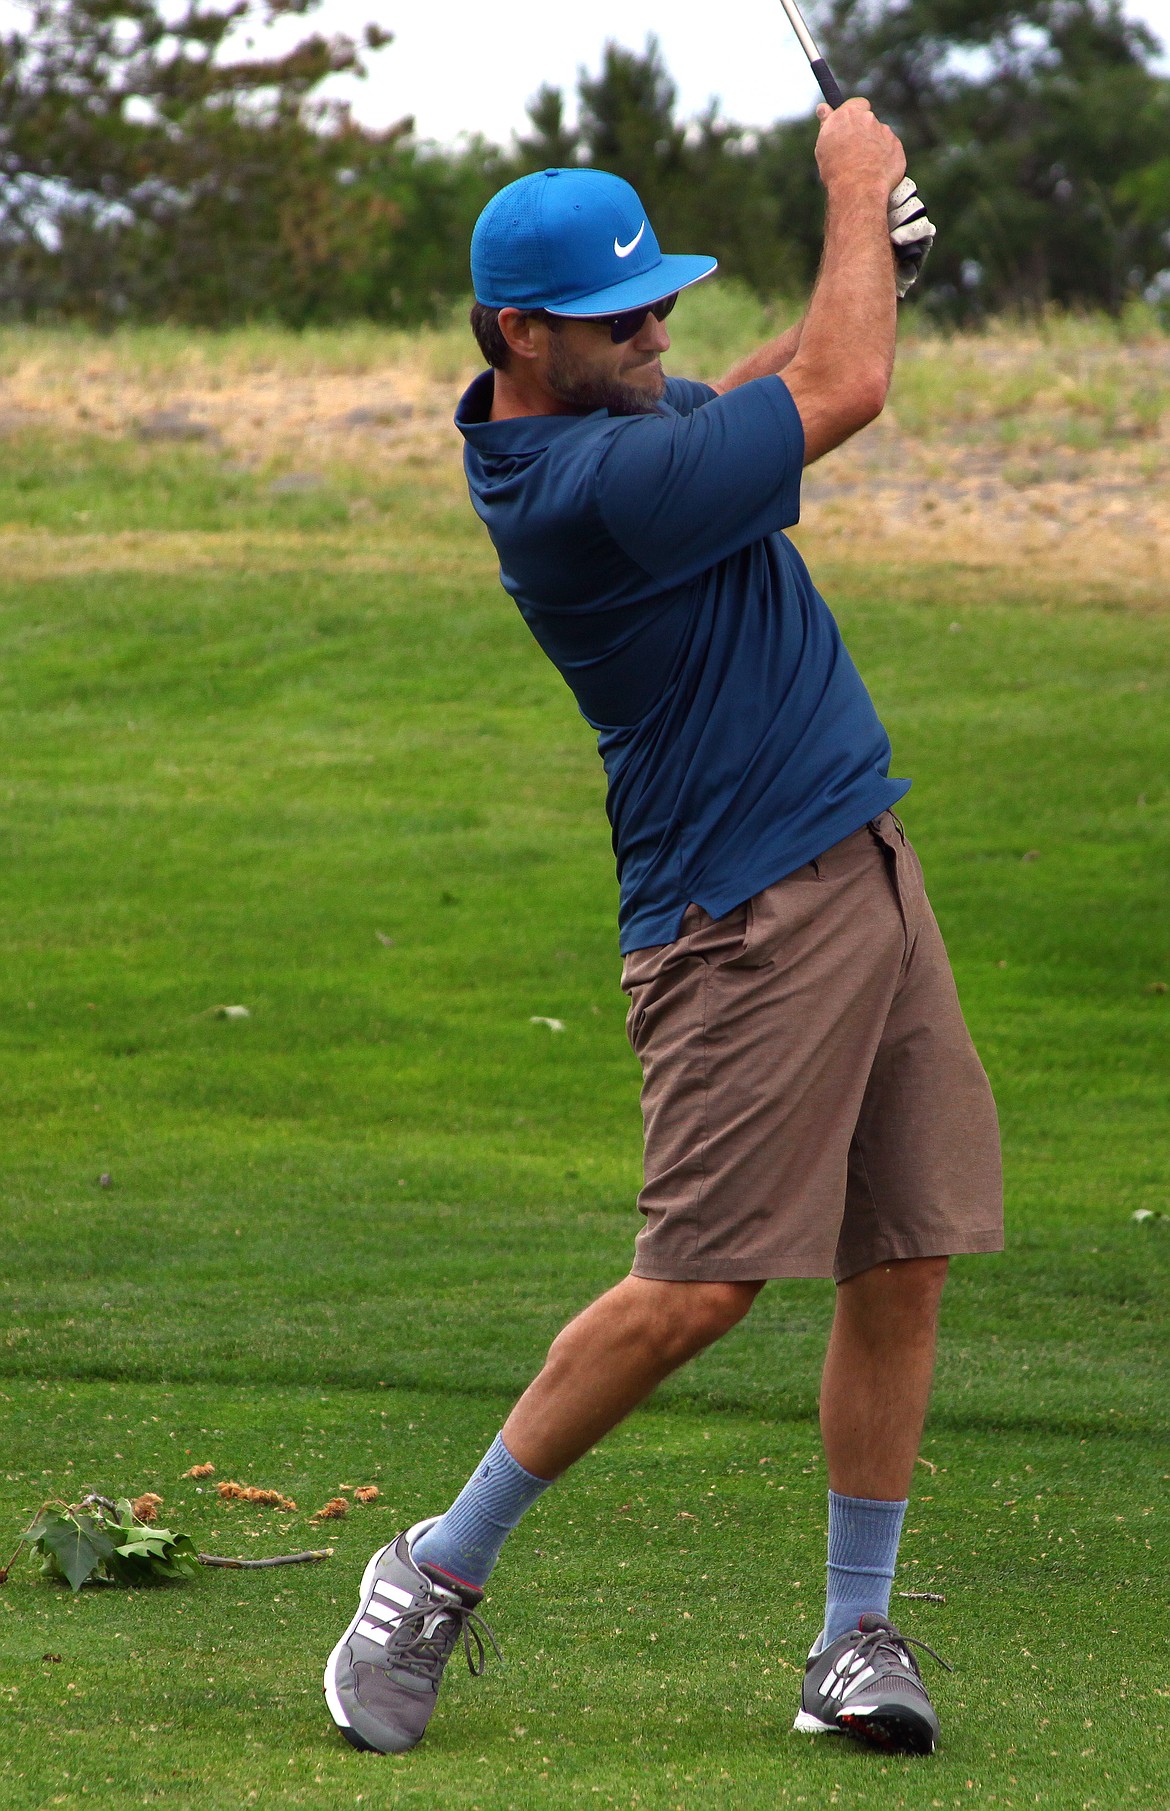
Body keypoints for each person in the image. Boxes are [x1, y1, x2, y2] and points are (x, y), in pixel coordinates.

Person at [323, 97, 1002, 1762]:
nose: (656, 335)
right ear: (520, 334)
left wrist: (872, 272)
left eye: (663, 306)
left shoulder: (616, 414)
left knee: (899, 1253)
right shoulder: (582, 488)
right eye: (622, 318)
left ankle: (852, 1637)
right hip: (739, 920)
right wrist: (855, 193)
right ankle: (431, 1569)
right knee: (698, 1286)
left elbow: (773, 390)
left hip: (860, 860)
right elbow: (831, 392)